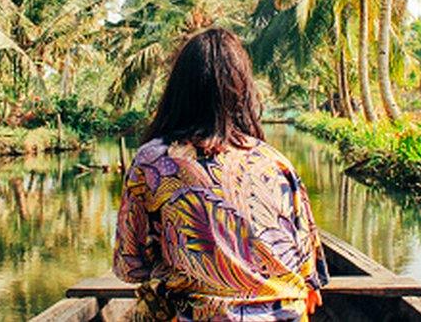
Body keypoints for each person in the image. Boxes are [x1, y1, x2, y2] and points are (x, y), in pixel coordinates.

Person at [113, 28, 328, 321]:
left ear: (178, 91)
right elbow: (309, 271)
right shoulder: (276, 162)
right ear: (243, 92)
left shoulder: (151, 161)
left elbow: (131, 266)